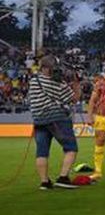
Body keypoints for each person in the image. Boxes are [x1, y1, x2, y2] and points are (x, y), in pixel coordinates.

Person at [28, 54, 81, 190]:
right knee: (71, 148)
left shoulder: (34, 81)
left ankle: (44, 182)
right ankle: (63, 178)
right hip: (57, 118)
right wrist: (76, 82)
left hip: (39, 120)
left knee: (42, 152)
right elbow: (74, 98)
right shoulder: (57, 83)